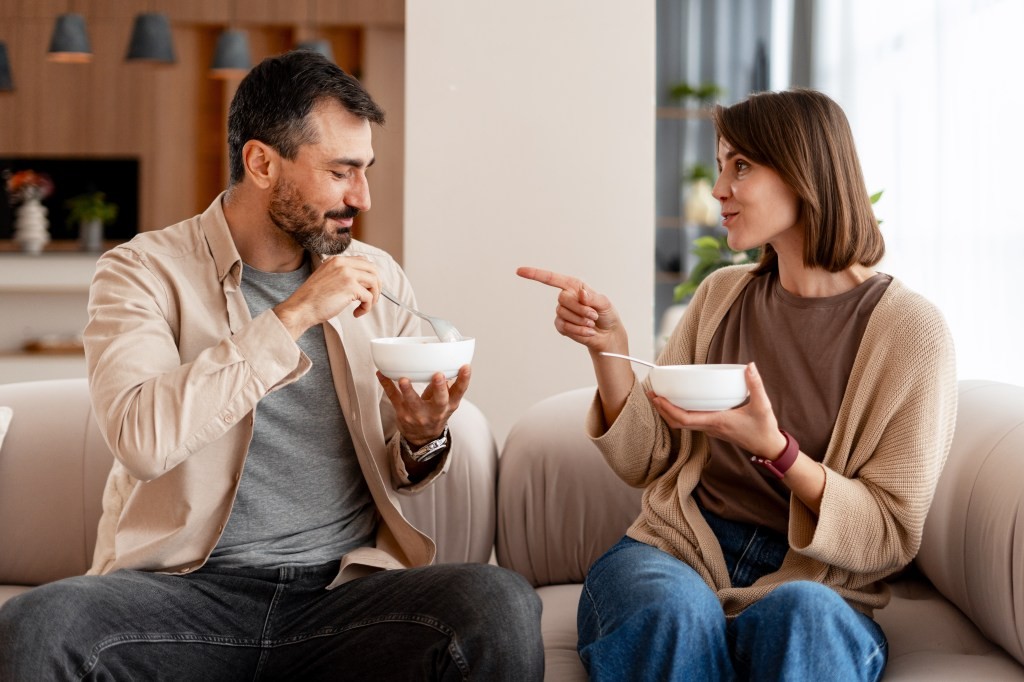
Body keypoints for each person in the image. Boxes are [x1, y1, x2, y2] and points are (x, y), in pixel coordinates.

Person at [0, 50, 542, 681]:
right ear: (261, 163)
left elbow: (400, 462)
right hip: (181, 598)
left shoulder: (378, 277)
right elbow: (142, 441)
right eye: (340, 172)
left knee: (498, 602)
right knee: (38, 624)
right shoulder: (141, 272)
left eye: (365, 171)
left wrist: (423, 438)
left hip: (339, 597)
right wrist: (291, 318)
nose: (361, 196)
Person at [518, 88, 957, 681]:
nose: (719, 188)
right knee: (670, 611)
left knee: (804, 616)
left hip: (813, 578)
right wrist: (610, 350)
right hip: (677, 555)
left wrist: (776, 451)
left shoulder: (911, 333)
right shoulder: (721, 296)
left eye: (741, 166)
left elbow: (887, 536)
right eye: (721, 164)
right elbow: (648, 458)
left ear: (804, 174)